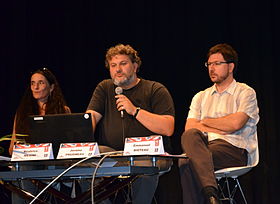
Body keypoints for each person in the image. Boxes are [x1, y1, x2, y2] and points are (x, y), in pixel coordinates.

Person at [86, 44, 175, 203]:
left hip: (150, 154)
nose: (117, 69)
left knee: (144, 166)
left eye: (123, 64)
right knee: (85, 162)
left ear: (135, 66)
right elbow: (90, 119)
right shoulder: (105, 88)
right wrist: (80, 137)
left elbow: (168, 128)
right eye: (113, 65)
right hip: (114, 154)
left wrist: (135, 110)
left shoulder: (155, 89)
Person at [178, 43, 259, 204]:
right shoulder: (200, 96)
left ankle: (210, 194)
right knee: (189, 138)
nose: (211, 68)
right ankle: (212, 195)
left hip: (234, 150)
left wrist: (206, 122)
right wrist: (223, 125)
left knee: (187, 162)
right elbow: (189, 128)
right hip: (204, 148)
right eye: (209, 64)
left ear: (230, 67)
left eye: (217, 63)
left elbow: (236, 124)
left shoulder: (245, 92)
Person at [8, 67, 71, 203]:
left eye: (41, 83)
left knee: (26, 169)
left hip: (54, 162)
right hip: (29, 160)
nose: (36, 87)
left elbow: (68, 146)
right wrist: (24, 149)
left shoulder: (63, 111)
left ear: (51, 87)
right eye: (32, 83)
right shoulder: (22, 113)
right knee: (21, 167)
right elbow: (12, 148)